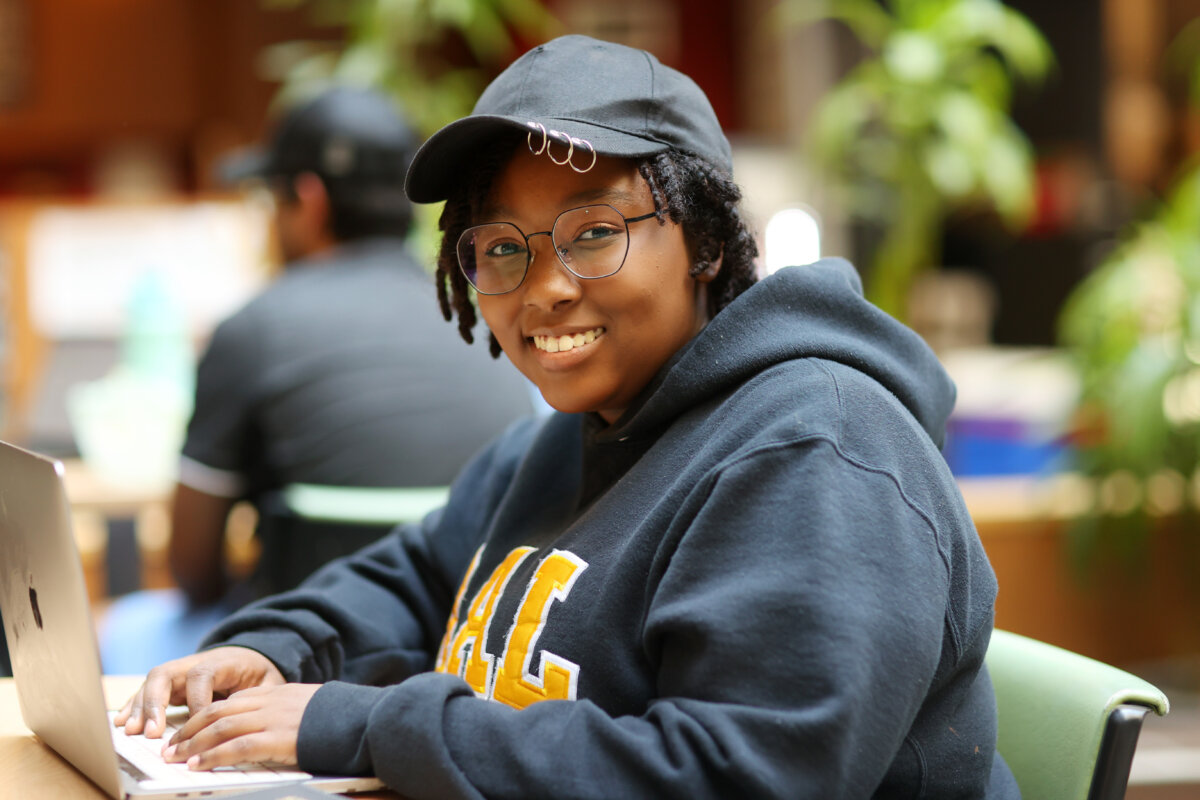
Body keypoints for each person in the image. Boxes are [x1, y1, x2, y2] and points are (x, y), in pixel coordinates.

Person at [115, 36, 1019, 798]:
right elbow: (421, 574)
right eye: (501, 248)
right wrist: (279, 652)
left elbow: (738, 776)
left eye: (594, 232)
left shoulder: (818, 450)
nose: (543, 288)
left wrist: (365, 724)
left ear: (703, 239)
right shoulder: (571, 438)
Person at [99, 85, 535, 671]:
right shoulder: (487, 318)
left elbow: (192, 571)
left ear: (308, 202)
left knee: (127, 628)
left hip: (295, 652)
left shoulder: (255, 329)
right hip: (461, 651)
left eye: (272, 202)